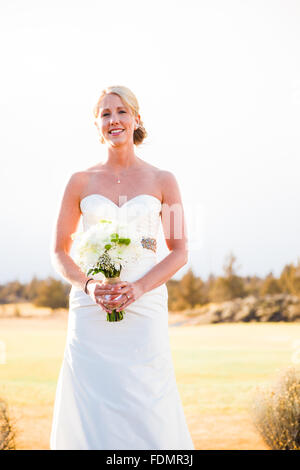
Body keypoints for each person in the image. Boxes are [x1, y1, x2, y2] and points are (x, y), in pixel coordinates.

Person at [49, 85, 194, 450]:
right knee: (91, 401)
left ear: (137, 118)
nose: (114, 120)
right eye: (105, 114)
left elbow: (179, 250)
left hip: (144, 308)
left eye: (121, 111)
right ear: (96, 125)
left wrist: (140, 287)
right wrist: (89, 286)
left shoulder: (164, 181)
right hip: (90, 310)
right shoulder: (79, 182)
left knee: (146, 398)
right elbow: (59, 251)